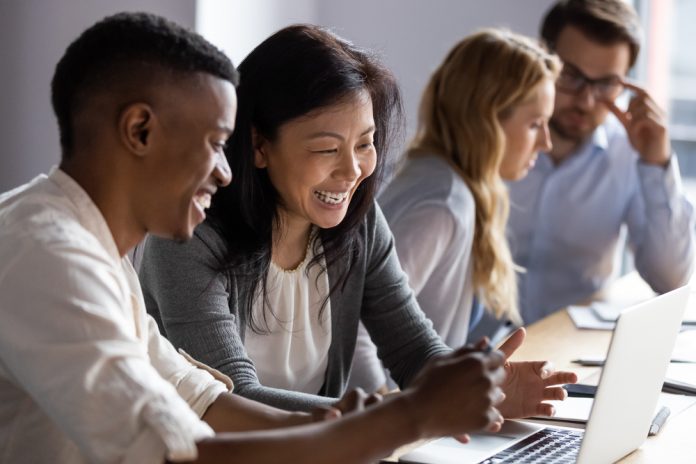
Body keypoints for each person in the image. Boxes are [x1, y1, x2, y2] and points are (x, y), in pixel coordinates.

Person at [0, 12, 512, 464]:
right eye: (215, 144)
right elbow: (178, 452)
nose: (225, 172)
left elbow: (201, 400)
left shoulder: (93, 247)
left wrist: (390, 418)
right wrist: (409, 418)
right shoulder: (48, 254)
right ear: (140, 131)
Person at [140, 24, 576, 418]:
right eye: (327, 149)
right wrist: (406, 414)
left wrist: (480, 390)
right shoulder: (189, 235)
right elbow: (233, 402)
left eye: (365, 144)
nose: (352, 171)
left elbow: (413, 350)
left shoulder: (358, 223)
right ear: (258, 145)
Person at [348, 29, 561, 392]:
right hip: (398, 429)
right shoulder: (442, 206)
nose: (546, 142)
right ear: (488, 119)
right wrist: (388, 420)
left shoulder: (448, 182)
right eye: (534, 124)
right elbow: (357, 333)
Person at [507, 0, 696, 323]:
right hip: (478, 353)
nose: (586, 100)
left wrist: (657, 163)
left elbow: (670, 279)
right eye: (571, 75)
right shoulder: (490, 134)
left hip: (569, 353)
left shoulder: (629, 152)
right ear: (541, 58)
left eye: (606, 84)